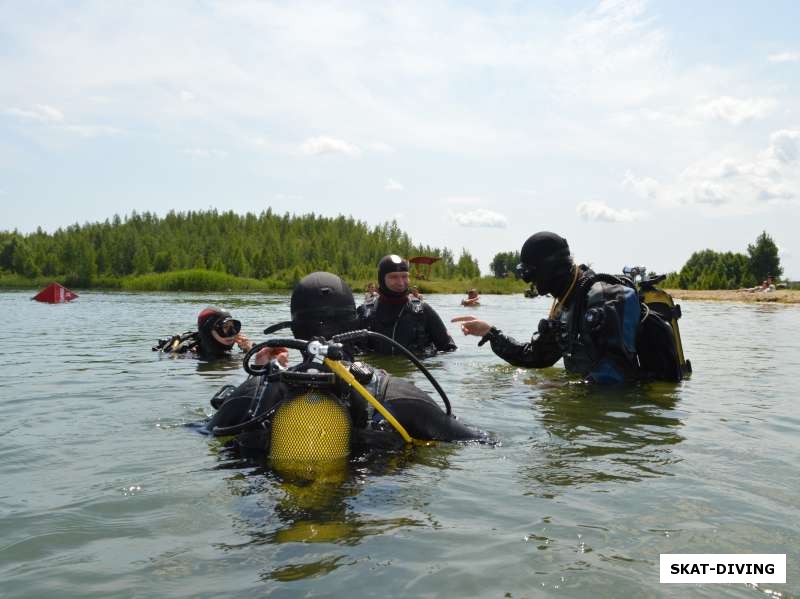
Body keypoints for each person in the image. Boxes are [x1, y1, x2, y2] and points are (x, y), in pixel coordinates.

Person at [201, 272, 483, 462]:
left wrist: (258, 377)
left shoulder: (254, 394)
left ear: (294, 326)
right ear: (356, 325)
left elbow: (204, 432)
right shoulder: (395, 394)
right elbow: (476, 440)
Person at [453, 231, 688, 383]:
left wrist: (563, 389)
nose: (530, 282)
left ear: (547, 269)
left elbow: (616, 375)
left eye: (529, 274)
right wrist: (491, 333)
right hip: (597, 408)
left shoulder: (603, 300)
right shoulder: (565, 304)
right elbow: (537, 357)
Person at [357, 255, 456, 357]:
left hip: (416, 371)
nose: (400, 283)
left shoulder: (422, 311)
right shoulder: (365, 312)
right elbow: (349, 350)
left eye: (404, 276)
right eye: (393, 277)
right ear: (382, 279)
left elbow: (449, 349)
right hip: (376, 371)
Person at [152, 307, 252, 360]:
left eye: (233, 327)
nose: (232, 333)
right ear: (208, 331)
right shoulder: (190, 354)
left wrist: (248, 350)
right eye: (224, 327)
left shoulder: (225, 352)